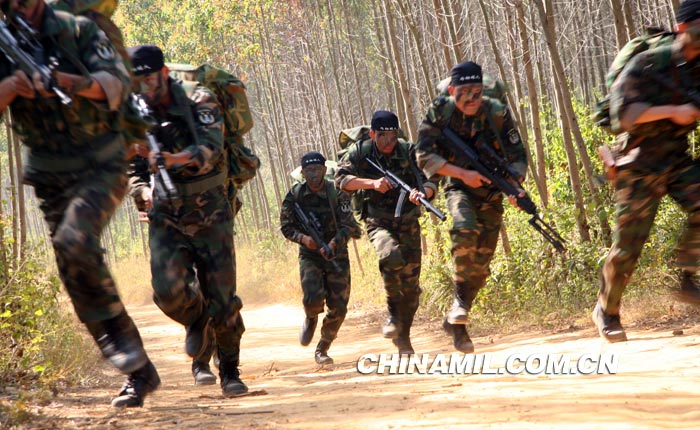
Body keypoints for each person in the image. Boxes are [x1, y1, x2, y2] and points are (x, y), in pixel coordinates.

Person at [0, 0, 158, 407]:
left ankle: (122, 348)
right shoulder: (3, 43)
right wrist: (11, 87)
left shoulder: (77, 29)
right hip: (50, 173)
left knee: (75, 241)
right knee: (73, 270)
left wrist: (64, 80)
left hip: (102, 161)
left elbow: (115, 84)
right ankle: (137, 371)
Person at [127, 44, 247, 396]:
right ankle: (197, 320)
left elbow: (209, 152)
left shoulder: (199, 98)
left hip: (211, 212)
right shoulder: (134, 112)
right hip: (166, 213)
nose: (144, 86)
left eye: (148, 78)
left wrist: (169, 158)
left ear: (163, 73)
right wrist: (142, 191)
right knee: (167, 294)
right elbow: (131, 167)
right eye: (137, 81)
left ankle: (230, 371)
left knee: (222, 300)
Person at [593, 0, 700, 343]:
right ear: (684, 28)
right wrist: (675, 110)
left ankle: (685, 275)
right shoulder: (648, 61)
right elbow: (622, 115)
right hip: (638, 158)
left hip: (676, 157)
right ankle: (606, 310)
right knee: (627, 245)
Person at [415, 61, 527, 353]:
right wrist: (462, 173)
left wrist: (515, 186)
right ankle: (460, 315)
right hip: (458, 185)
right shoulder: (440, 112)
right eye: (464, 92)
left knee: (480, 267)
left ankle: (455, 319)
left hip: (493, 188)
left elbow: (516, 155)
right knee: (464, 229)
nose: (471, 99)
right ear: (451, 91)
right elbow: (424, 155)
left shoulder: (495, 111)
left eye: (476, 92)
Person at [335, 110, 437, 355]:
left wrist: (424, 193)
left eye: (393, 137)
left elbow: (432, 179)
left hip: (409, 223)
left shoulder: (408, 151)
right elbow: (341, 180)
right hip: (378, 222)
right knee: (390, 256)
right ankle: (392, 313)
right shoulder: (360, 152)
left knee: (412, 289)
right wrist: (372, 184)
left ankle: (404, 337)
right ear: (373, 134)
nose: (389, 143)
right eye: (383, 137)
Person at [280, 151, 359, 365]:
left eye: (317, 169)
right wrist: (305, 239)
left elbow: (350, 226)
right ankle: (311, 317)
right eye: (309, 170)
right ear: (303, 173)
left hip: (337, 254)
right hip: (310, 255)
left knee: (339, 306)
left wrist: (334, 243)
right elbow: (286, 227)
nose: (314, 174)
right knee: (312, 297)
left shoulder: (337, 193)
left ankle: (323, 347)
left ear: (325, 170)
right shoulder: (295, 195)